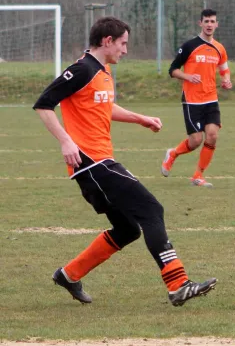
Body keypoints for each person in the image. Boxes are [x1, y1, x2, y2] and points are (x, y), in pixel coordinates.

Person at [33, 17, 217, 307]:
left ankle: (69, 275)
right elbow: (44, 104)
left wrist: (139, 118)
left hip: (99, 162)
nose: (126, 50)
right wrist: (66, 141)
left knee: (128, 229)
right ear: (107, 41)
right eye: (123, 43)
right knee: (152, 209)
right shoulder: (81, 69)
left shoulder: (101, 71)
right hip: (92, 164)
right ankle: (178, 284)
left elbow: (104, 106)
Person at [161, 8, 232, 187]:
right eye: (206, 21)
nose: (209, 25)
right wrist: (187, 77)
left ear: (217, 24)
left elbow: (224, 68)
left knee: (213, 136)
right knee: (195, 141)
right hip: (192, 100)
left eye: (212, 21)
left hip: (211, 99)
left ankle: (198, 176)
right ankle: (173, 154)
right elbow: (173, 70)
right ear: (200, 23)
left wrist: (226, 80)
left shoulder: (220, 48)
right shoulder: (189, 46)